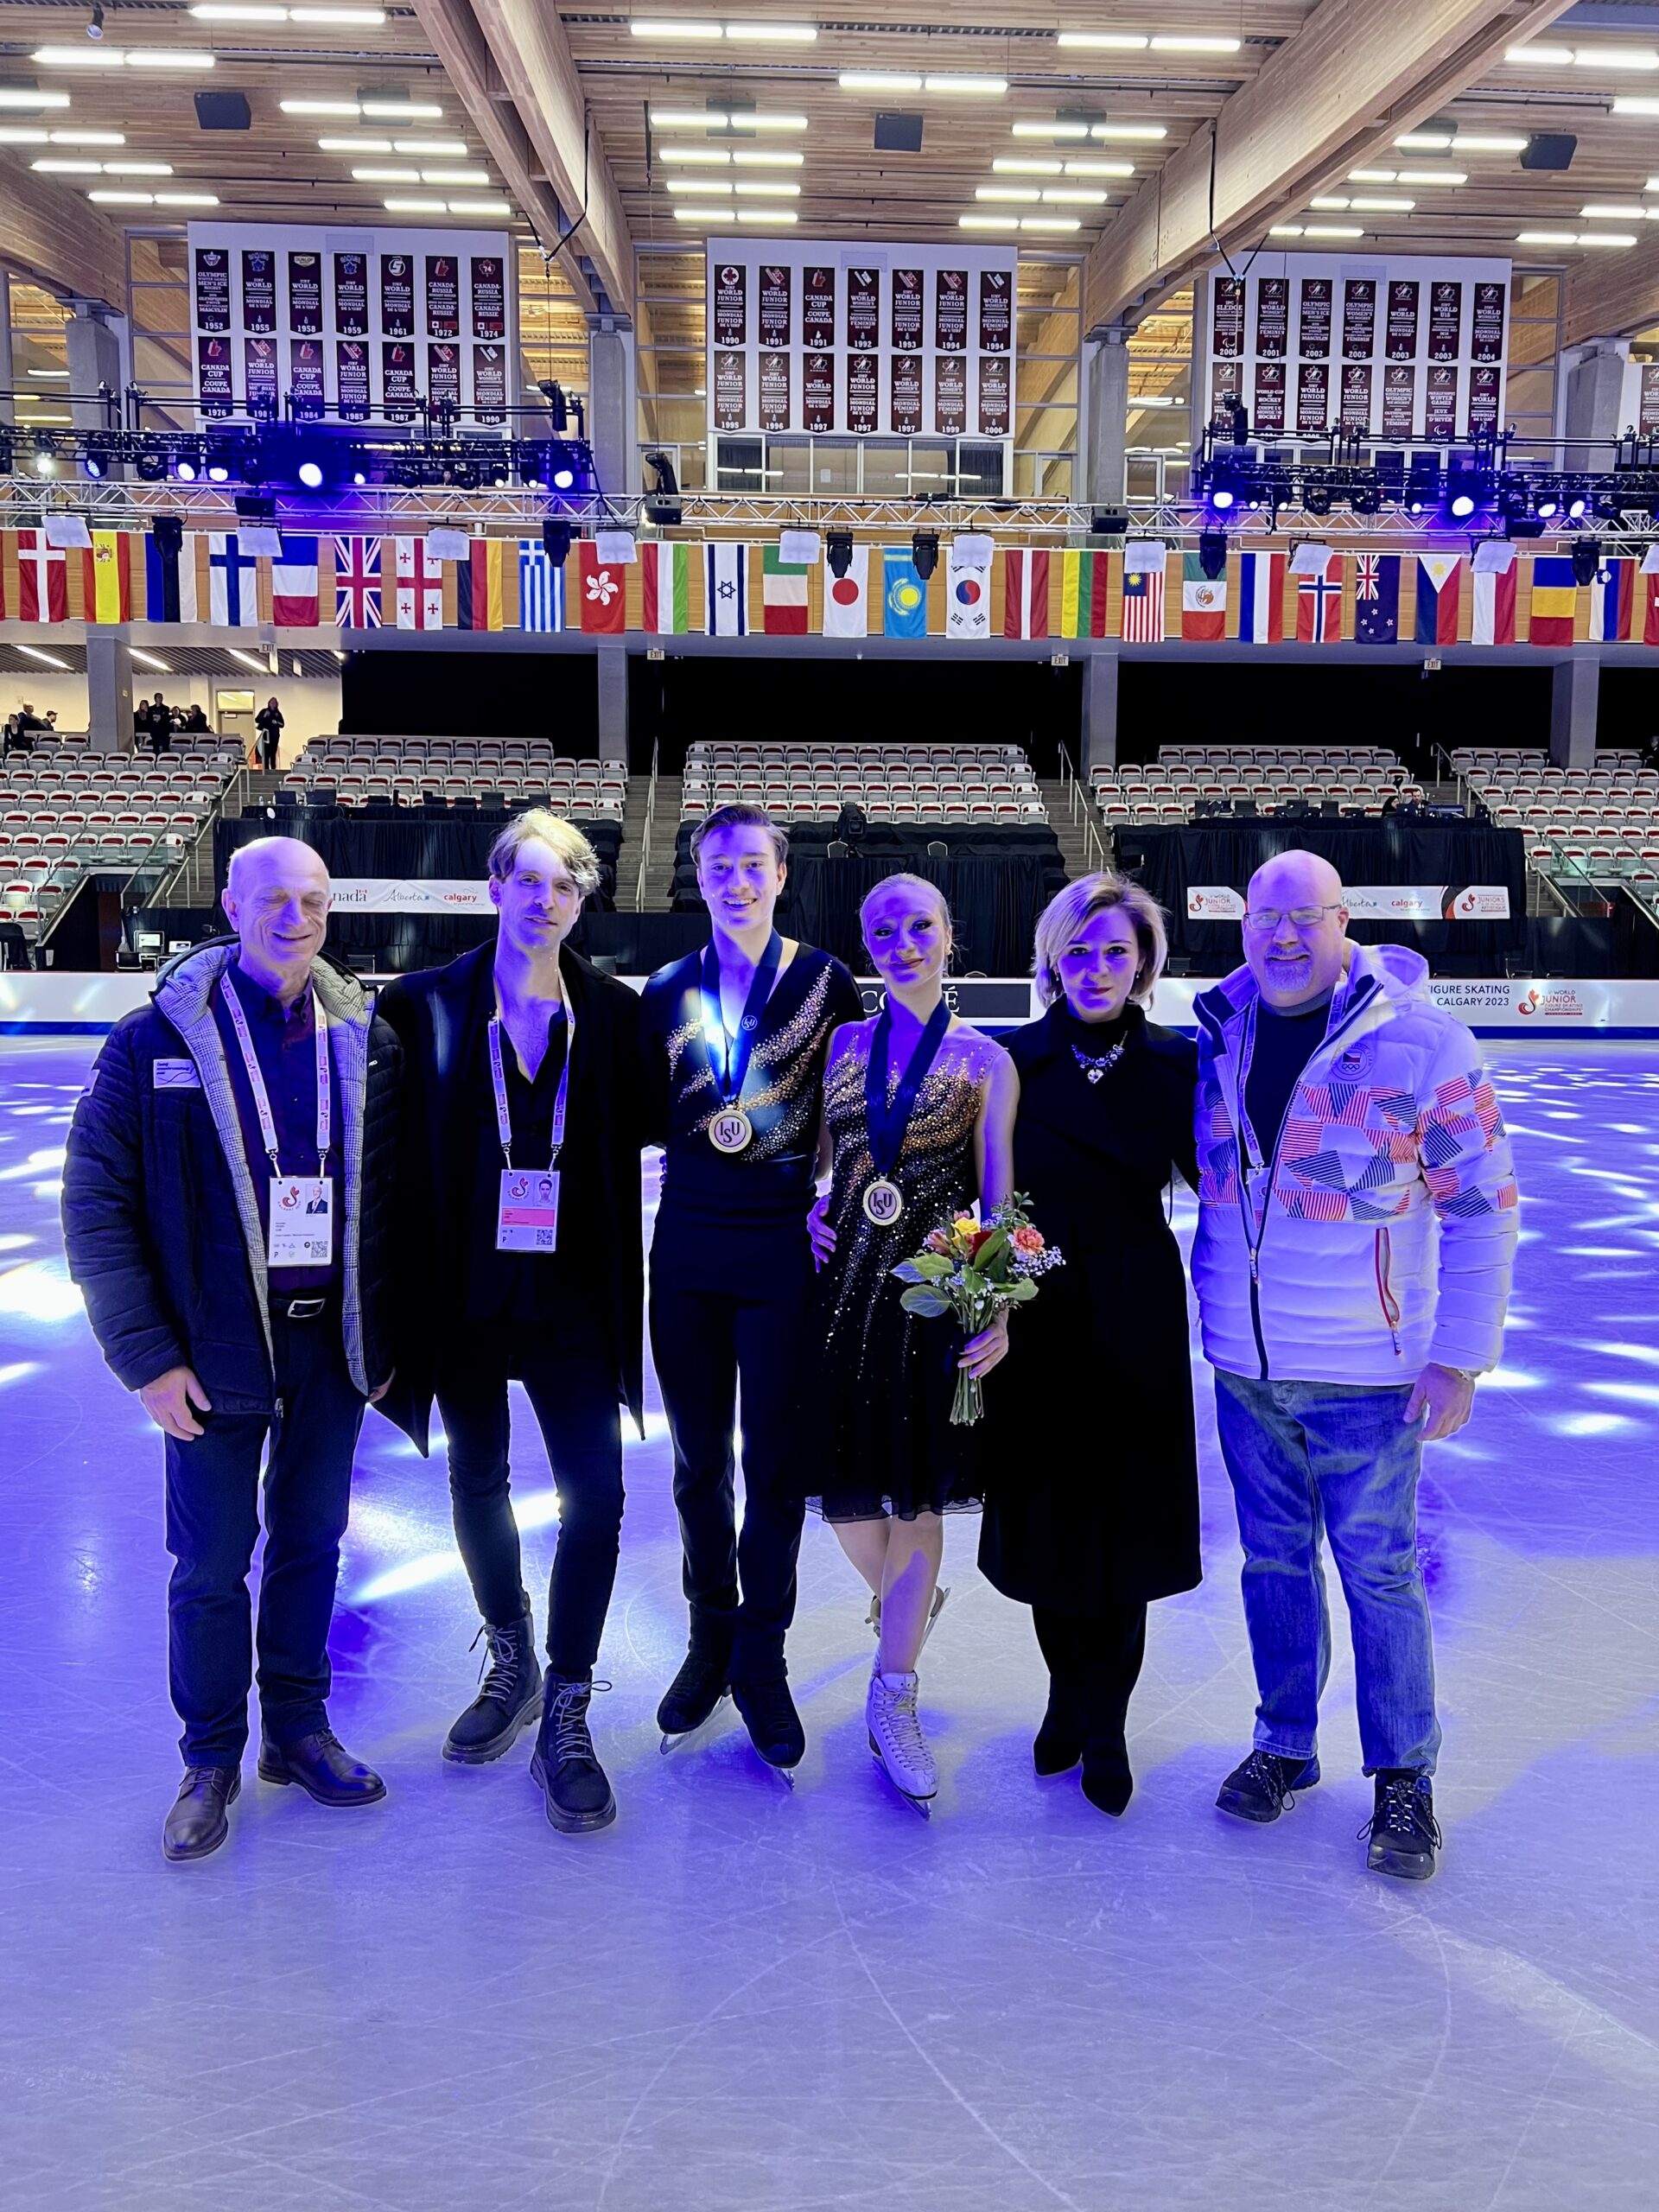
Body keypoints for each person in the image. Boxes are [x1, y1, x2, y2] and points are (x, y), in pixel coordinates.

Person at [61, 836, 403, 1862]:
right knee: (210, 1565)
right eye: (274, 899)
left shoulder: (365, 1034)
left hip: (329, 1352)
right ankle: (209, 1756)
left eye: (313, 899)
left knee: (312, 1546)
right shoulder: (151, 1039)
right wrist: (148, 1359)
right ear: (230, 902)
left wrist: (382, 1331)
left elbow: (397, 1200)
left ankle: (295, 1731)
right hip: (209, 1358)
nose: (295, 917)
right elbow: (96, 1202)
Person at [1192, 849, 1518, 1881]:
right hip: (1246, 1364)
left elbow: (1482, 1206)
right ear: (1242, 925)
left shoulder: (1422, 1043)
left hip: (1369, 1372)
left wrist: (1459, 1357)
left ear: (1344, 925)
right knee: (1274, 1566)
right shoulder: (1222, 1034)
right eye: (1265, 918)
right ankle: (1286, 1744)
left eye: (1305, 918)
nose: (1283, 938)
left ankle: (1404, 1777)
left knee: (1379, 1574)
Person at [378, 811, 645, 1835]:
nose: (545, 901)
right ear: (494, 888)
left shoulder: (616, 1015)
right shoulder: (420, 1004)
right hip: (464, 1295)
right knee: (475, 1480)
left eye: (565, 886)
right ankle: (512, 1654)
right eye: (528, 881)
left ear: (582, 903)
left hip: (574, 1296)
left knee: (598, 1498)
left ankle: (566, 1704)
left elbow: (699, 1121)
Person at [639, 803, 863, 1774]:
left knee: (773, 1463)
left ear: (781, 876)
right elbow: (646, 1117)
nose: (736, 881)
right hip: (686, 1238)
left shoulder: (825, 980)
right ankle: (708, 1639)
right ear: (700, 875)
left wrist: (829, 1198)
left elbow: (850, 1109)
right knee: (697, 1466)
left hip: (781, 1243)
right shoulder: (665, 985)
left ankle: (762, 1658)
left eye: (752, 866)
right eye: (719, 865)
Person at [978, 874, 1201, 1817]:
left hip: (1136, 1309)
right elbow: (970, 1183)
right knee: (1050, 1523)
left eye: (1117, 951)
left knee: (1126, 1524)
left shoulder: (1180, 1063)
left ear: (1144, 962)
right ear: (1053, 961)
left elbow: (1232, 1185)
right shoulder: (1009, 1061)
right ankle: (1065, 1694)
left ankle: (1106, 1721)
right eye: (1080, 951)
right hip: (1037, 1311)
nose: (1098, 967)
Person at [805, 875, 1017, 1809]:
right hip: (840, 1300)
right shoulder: (844, 1043)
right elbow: (820, 1160)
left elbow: (999, 1197)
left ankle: (894, 1693)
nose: (902, 940)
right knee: (851, 1501)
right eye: (882, 928)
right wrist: (804, 1213)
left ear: (948, 932)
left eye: (920, 924)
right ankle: (908, 1604)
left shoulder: (984, 1060)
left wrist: (998, 1306)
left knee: (920, 1496)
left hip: (930, 1302)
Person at [256, 697, 285, 774]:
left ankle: (273, 768)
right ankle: (266, 769)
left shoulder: (278, 713)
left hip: (274, 735)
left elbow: (282, 724)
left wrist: (276, 722)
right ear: (269, 703)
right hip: (266, 734)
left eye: (274, 702)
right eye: (271, 702)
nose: (273, 704)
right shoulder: (264, 711)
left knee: (273, 752)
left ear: (276, 704)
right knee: (266, 752)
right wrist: (264, 716)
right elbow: (257, 720)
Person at [142, 692, 174, 757]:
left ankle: (165, 759)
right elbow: (149, 719)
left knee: (165, 746)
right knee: (155, 747)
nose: (160, 698)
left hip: (164, 731)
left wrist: (161, 718)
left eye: (161, 697)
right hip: (154, 731)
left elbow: (167, 719)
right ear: (155, 699)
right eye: (159, 697)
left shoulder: (166, 708)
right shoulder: (151, 709)